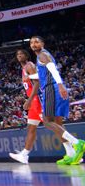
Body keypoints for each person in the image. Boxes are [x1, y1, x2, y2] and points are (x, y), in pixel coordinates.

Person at [29, 36, 85, 165]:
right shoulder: (42, 57)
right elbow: (44, 73)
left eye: (36, 42)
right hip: (54, 87)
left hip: (52, 88)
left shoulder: (42, 54)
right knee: (58, 123)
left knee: (47, 121)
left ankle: (77, 143)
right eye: (31, 42)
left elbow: (53, 69)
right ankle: (71, 154)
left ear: (42, 44)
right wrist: (29, 76)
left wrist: (59, 85)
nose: (33, 44)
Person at [9, 49, 43, 164]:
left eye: (21, 54)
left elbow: (37, 83)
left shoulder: (29, 65)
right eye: (17, 54)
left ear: (26, 56)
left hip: (37, 101)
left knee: (51, 124)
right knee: (31, 128)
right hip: (32, 101)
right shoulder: (23, 69)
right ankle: (24, 155)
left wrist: (29, 100)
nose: (19, 56)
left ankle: (73, 146)